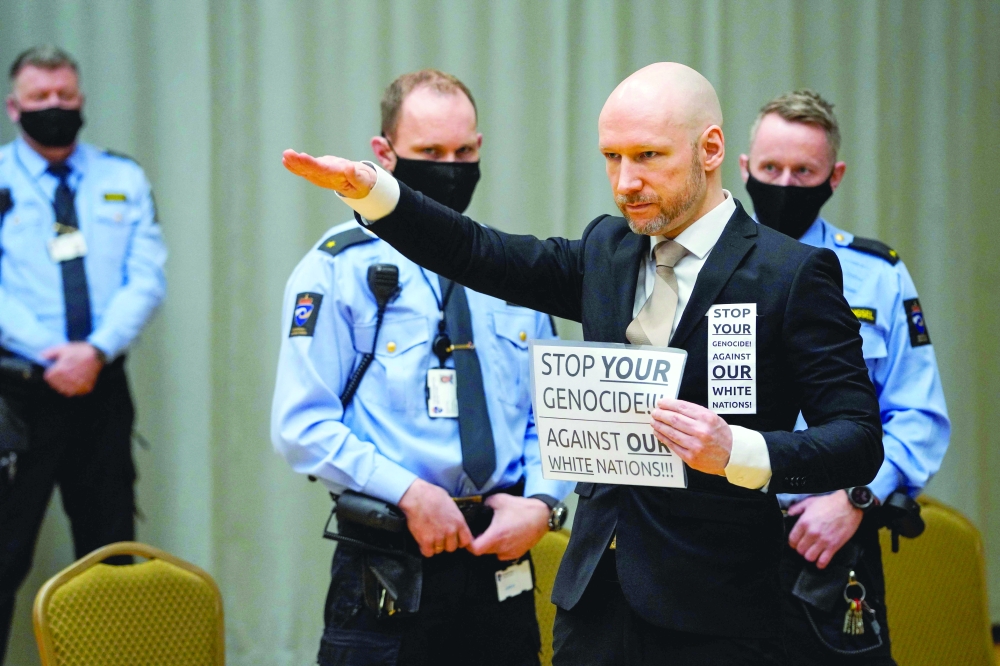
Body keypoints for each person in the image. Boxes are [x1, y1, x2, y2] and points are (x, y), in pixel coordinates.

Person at [281, 61, 884, 666]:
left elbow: (857, 440)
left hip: (718, 610)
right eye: (612, 157)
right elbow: (478, 252)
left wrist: (741, 452)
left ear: (710, 149)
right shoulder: (608, 250)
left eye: (648, 156)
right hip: (593, 603)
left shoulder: (791, 274)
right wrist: (375, 193)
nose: (626, 182)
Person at [271, 69, 573, 666]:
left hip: (499, 563)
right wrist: (409, 492)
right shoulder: (335, 271)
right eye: (430, 153)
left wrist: (543, 502)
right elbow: (300, 427)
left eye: (464, 152)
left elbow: (552, 414)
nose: (450, 167)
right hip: (389, 566)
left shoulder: (509, 273)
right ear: (384, 153)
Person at [738, 89, 950, 665]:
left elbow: (918, 415)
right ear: (743, 169)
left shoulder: (877, 277)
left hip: (831, 545)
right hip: (717, 545)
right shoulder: (701, 268)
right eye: (770, 168)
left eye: (803, 171)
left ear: (835, 176)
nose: (784, 184)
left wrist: (859, 496)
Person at [0, 45, 167, 661]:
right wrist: (53, 354)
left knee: (110, 558)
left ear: (82, 102)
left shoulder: (121, 178)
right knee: (5, 555)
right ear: (15, 107)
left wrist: (92, 352)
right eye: (40, 98)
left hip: (100, 388)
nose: (54, 107)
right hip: (17, 395)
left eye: (65, 97)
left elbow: (145, 277)